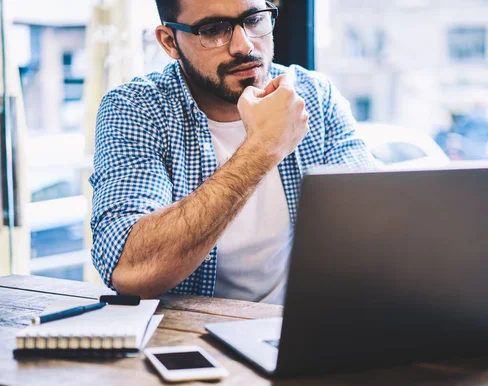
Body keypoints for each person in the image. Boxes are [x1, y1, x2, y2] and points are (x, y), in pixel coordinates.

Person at [90, 0, 375, 303]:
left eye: (254, 19)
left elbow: (375, 226)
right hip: (189, 336)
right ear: (170, 42)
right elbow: (130, 271)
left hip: (296, 330)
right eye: (213, 30)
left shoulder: (315, 97)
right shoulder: (136, 109)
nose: (243, 44)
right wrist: (262, 148)